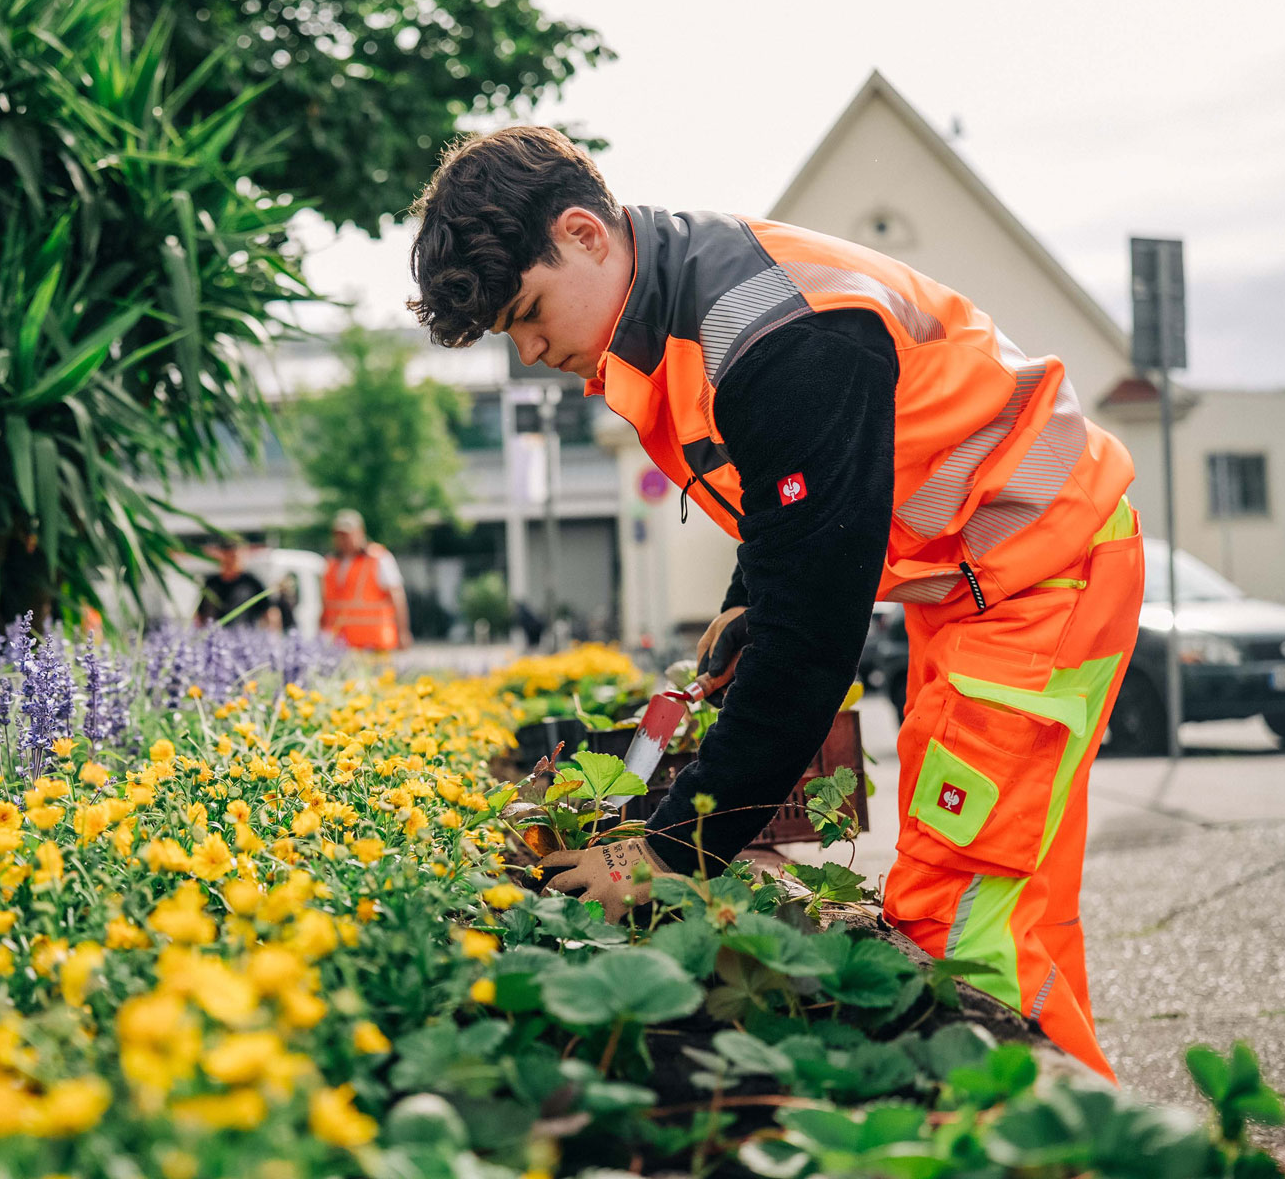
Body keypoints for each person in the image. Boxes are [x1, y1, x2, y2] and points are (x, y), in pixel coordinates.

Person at [406, 126, 1142, 1080]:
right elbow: (787, 510)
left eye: (529, 313)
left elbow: (814, 643)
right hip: (976, 587)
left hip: (1041, 574)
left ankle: (1055, 1136)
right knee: (1004, 899)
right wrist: (746, 605)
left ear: (586, 234)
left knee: (958, 910)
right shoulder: (683, 303)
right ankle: (1096, 1126)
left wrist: (669, 851)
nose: (531, 348)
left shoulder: (778, 335)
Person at [319, 510, 412, 651]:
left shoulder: (379, 558)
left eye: (347, 535)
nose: (343, 540)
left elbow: (397, 596)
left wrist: (403, 632)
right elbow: (326, 604)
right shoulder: (331, 563)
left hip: (374, 643)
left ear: (360, 532)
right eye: (338, 535)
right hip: (340, 645)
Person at [195, 541, 275, 629]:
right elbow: (200, 614)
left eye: (235, 557)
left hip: (243, 637)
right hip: (214, 634)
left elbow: (270, 612)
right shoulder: (211, 583)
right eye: (228, 557)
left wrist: (273, 638)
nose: (231, 561)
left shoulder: (252, 582)